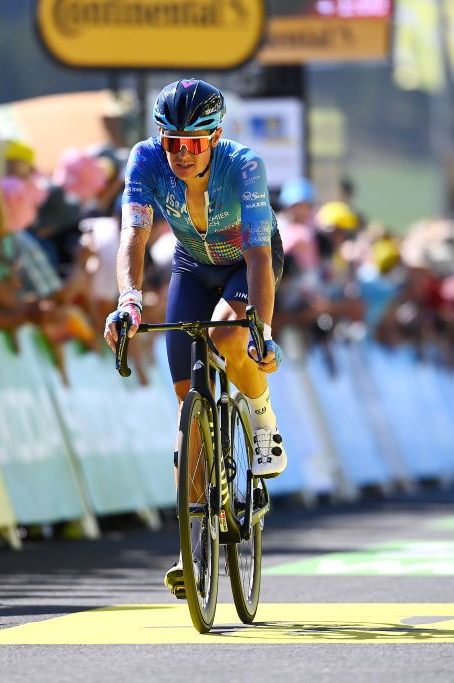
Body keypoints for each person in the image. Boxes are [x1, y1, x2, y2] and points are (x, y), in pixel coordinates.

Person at [101, 78, 287, 594]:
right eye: (172, 141)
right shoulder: (144, 159)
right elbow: (133, 236)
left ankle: (261, 415)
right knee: (188, 406)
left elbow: (257, 255)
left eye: (194, 142)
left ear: (216, 136)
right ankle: (199, 550)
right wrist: (130, 300)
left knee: (227, 335)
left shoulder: (243, 164)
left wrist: (262, 331)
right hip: (192, 265)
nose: (181, 153)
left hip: (247, 264)